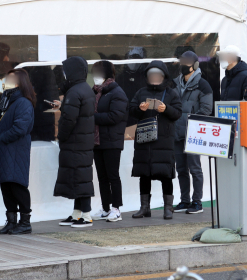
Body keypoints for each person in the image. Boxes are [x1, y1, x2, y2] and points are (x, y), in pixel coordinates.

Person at [130, 60, 182, 220]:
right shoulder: (140, 92)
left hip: (164, 140)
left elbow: (178, 113)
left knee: (166, 174)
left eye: (157, 75)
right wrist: (139, 108)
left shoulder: (172, 93)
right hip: (144, 139)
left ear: (163, 76)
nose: (154, 78)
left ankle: (168, 208)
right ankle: (144, 207)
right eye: (151, 75)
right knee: (144, 174)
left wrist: (166, 109)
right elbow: (131, 110)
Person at [0, 69, 36, 235]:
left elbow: (20, 128)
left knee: (17, 185)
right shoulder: (7, 100)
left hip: (15, 151)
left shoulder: (23, 102)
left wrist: (1, 138)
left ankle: (24, 222)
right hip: (5, 151)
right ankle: (11, 221)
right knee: (6, 185)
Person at [53, 56, 96, 228]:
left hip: (75, 141)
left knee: (80, 177)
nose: (63, 74)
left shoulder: (74, 91)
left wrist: (60, 136)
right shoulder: (84, 88)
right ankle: (77, 213)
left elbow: (69, 120)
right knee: (80, 176)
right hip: (82, 141)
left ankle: (86, 215)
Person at [171, 51, 212, 214]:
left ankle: (197, 202)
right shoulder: (174, 84)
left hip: (194, 133)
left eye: (186, 62)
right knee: (181, 169)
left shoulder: (203, 85)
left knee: (195, 168)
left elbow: (207, 109)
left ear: (195, 65)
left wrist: (189, 120)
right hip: (176, 133)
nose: (183, 65)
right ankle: (184, 200)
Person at [89, 61, 128, 222]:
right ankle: (105, 208)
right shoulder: (96, 92)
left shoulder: (117, 92)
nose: (94, 76)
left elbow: (115, 116)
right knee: (102, 177)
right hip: (97, 141)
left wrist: (91, 118)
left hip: (112, 140)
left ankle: (116, 208)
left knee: (113, 176)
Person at [116, 47, 147, 126]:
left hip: (142, 115)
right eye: (131, 58)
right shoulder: (120, 78)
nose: (134, 62)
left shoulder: (145, 78)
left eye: (137, 58)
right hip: (123, 115)